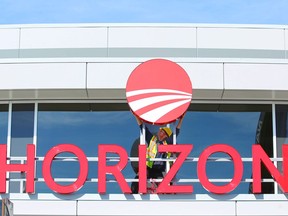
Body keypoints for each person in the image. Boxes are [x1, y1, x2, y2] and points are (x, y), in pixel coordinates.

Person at [131, 112, 186, 193]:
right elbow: (142, 127)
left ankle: (168, 196)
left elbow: (176, 131)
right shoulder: (152, 139)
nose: (160, 133)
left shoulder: (168, 142)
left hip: (160, 170)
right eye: (160, 131)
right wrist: (136, 116)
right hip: (150, 167)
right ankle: (134, 192)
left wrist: (181, 120)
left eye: (162, 132)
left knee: (165, 183)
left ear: (166, 135)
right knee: (140, 175)